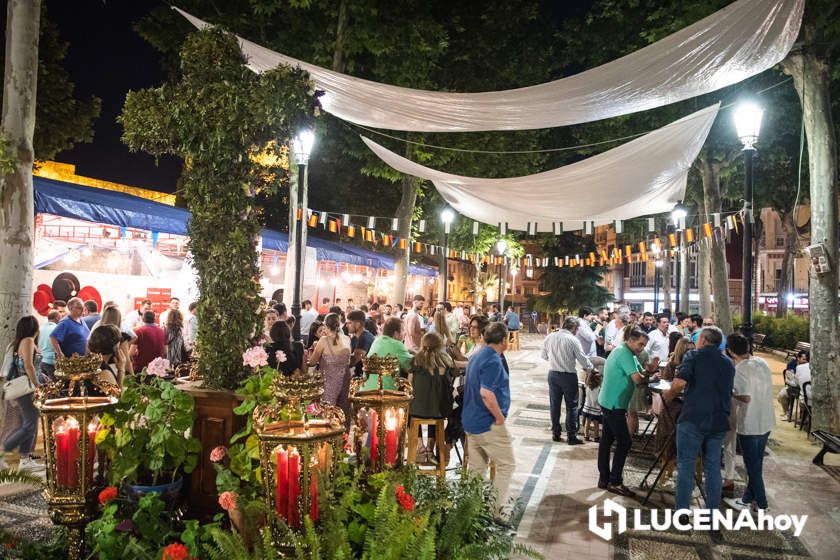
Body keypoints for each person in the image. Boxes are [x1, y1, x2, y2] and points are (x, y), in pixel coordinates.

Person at [664, 327, 734, 511]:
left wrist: (668, 395)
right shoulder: (728, 363)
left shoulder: (693, 356)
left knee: (686, 465)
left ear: (702, 340)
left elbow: (679, 383)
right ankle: (711, 513)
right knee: (712, 468)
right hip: (718, 420)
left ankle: (682, 511)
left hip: (693, 418)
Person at [462, 322, 515, 521]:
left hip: (471, 420)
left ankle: (470, 511)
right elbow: (486, 393)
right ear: (503, 340)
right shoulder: (493, 360)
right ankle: (497, 510)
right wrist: (499, 417)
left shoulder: (477, 355)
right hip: (487, 423)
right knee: (506, 465)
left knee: (477, 469)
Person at [724, 333, 776, 511]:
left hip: (751, 423)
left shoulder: (740, 369)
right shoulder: (762, 362)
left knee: (752, 467)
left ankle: (762, 504)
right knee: (756, 463)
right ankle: (747, 499)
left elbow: (745, 397)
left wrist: (731, 393)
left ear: (730, 352)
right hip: (766, 420)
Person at [597, 329, 650, 497]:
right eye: (640, 344)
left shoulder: (628, 353)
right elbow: (638, 379)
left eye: (644, 345)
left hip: (609, 401)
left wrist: (650, 371)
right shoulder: (624, 353)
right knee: (625, 442)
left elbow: (641, 372)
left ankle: (604, 478)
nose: (642, 348)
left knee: (607, 440)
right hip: (614, 404)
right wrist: (648, 376)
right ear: (630, 340)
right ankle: (615, 481)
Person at [1, 316, 44, 471]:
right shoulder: (28, 340)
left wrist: (42, 377)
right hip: (27, 389)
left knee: (31, 424)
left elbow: (33, 366)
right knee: (29, 425)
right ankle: (3, 449)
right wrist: (37, 385)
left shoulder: (23, 341)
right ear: (35, 328)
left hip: (28, 387)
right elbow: (28, 366)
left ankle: (25, 459)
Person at [542, 317, 593, 445]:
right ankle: (571, 436)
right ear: (574, 328)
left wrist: (556, 360)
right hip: (568, 376)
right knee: (572, 406)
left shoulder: (550, 337)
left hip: (553, 374)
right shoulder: (573, 340)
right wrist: (591, 369)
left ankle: (556, 433)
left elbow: (544, 356)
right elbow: (582, 359)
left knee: (555, 405)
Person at [409, 332, 455, 464]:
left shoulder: (415, 361)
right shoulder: (445, 361)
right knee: (435, 406)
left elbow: (409, 385)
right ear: (439, 345)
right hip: (440, 411)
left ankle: (420, 447)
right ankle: (430, 448)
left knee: (410, 412)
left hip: (416, 411)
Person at [307, 313, 351, 427]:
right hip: (345, 381)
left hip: (328, 383)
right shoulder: (346, 339)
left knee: (325, 413)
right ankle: (343, 437)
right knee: (342, 411)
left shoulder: (323, 340)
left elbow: (312, 362)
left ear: (326, 326)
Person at [778, 350, 809, 419]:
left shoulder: (808, 366)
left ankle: (804, 417)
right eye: (803, 359)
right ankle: (787, 413)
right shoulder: (792, 364)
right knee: (781, 395)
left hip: (804, 389)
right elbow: (789, 376)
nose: (805, 361)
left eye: (807, 359)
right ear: (798, 358)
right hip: (793, 387)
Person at [581, 357, 605, 442]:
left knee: (587, 422)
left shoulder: (587, 386)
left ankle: (586, 435)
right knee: (596, 424)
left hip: (587, 407)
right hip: (596, 408)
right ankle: (596, 437)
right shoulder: (599, 388)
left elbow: (586, 381)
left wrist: (588, 374)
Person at [347, 310, 375, 378]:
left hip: (364, 379)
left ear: (358, 324)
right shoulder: (354, 338)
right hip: (357, 375)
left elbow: (353, 361)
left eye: (349, 323)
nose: (347, 325)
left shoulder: (365, 338)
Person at [38, 310, 60, 380]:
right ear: (57, 318)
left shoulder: (40, 328)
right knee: (57, 386)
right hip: (52, 361)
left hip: (42, 361)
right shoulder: (56, 328)